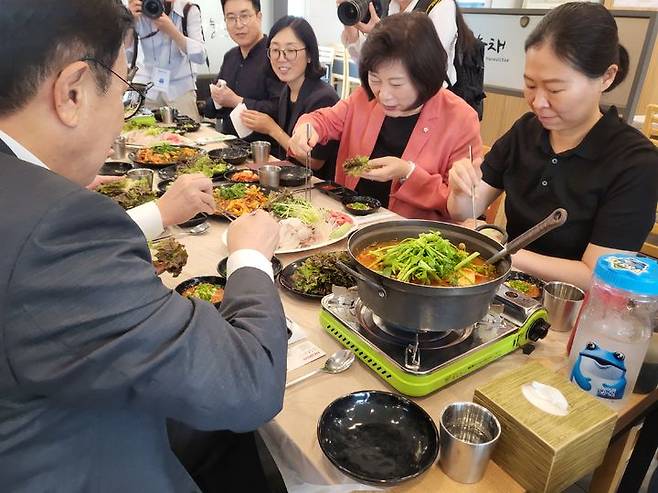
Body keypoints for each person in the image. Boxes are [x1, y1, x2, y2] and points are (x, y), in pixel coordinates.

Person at [0, 1, 288, 492]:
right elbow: (249, 382)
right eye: (123, 91)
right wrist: (249, 257)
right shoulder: (55, 223)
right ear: (71, 92)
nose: (121, 117)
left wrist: (161, 212)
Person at [447, 2, 658, 289]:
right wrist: (461, 189)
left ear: (606, 77)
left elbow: (598, 276)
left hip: (572, 311)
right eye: (530, 85)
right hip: (506, 289)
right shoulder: (525, 130)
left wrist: (505, 251)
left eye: (555, 89)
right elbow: (464, 212)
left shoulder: (635, 162)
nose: (538, 102)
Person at [289, 12, 481, 219]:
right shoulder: (365, 98)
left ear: (426, 76)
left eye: (396, 84)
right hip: (349, 221)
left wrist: (408, 172)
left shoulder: (460, 119)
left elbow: (460, 204)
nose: (383, 95)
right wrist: (307, 128)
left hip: (412, 237)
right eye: (375, 78)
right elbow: (324, 120)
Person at [240, 16, 340, 180]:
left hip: (315, 187)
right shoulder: (287, 89)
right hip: (292, 180)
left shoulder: (323, 97)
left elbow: (314, 161)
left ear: (309, 55)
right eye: (275, 50)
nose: (281, 57)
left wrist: (272, 129)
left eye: (291, 50)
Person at [204, 0, 283, 141]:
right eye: (231, 18)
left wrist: (237, 101)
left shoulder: (275, 56)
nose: (238, 25)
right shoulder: (230, 57)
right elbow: (210, 109)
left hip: (264, 152)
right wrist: (217, 100)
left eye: (244, 16)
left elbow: (280, 108)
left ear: (259, 17)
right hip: (228, 147)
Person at [127, 0, 207, 121]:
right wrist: (128, 23)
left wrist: (173, 32)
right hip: (150, 88)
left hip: (180, 90)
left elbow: (200, 56)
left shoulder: (188, 10)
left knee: (189, 135)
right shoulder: (141, 12)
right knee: (148, 135)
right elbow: (126, 57)